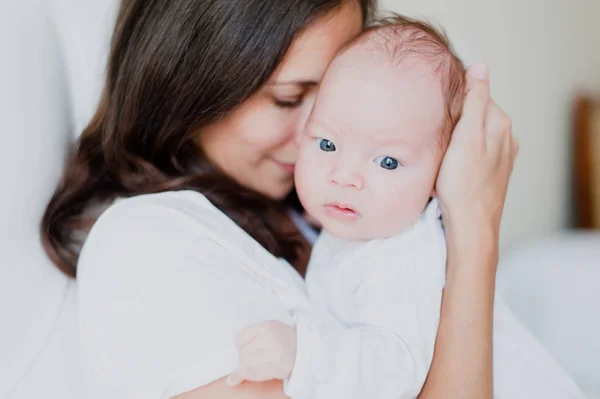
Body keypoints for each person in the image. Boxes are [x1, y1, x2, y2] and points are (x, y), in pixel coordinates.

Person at [41, 1, 517, 398]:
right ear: (187, 84)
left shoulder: (337, 212)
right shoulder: (145, 244)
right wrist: (475, 224)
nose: (328, 130)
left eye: (336, 89)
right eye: (290, 98)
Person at [226, 16, 584, 399]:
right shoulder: (360, 228)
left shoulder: (401, 260)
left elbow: (394, 370)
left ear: (440, 178)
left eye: (388, 162)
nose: (345, 176)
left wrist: (302, 352)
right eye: (327, 144)